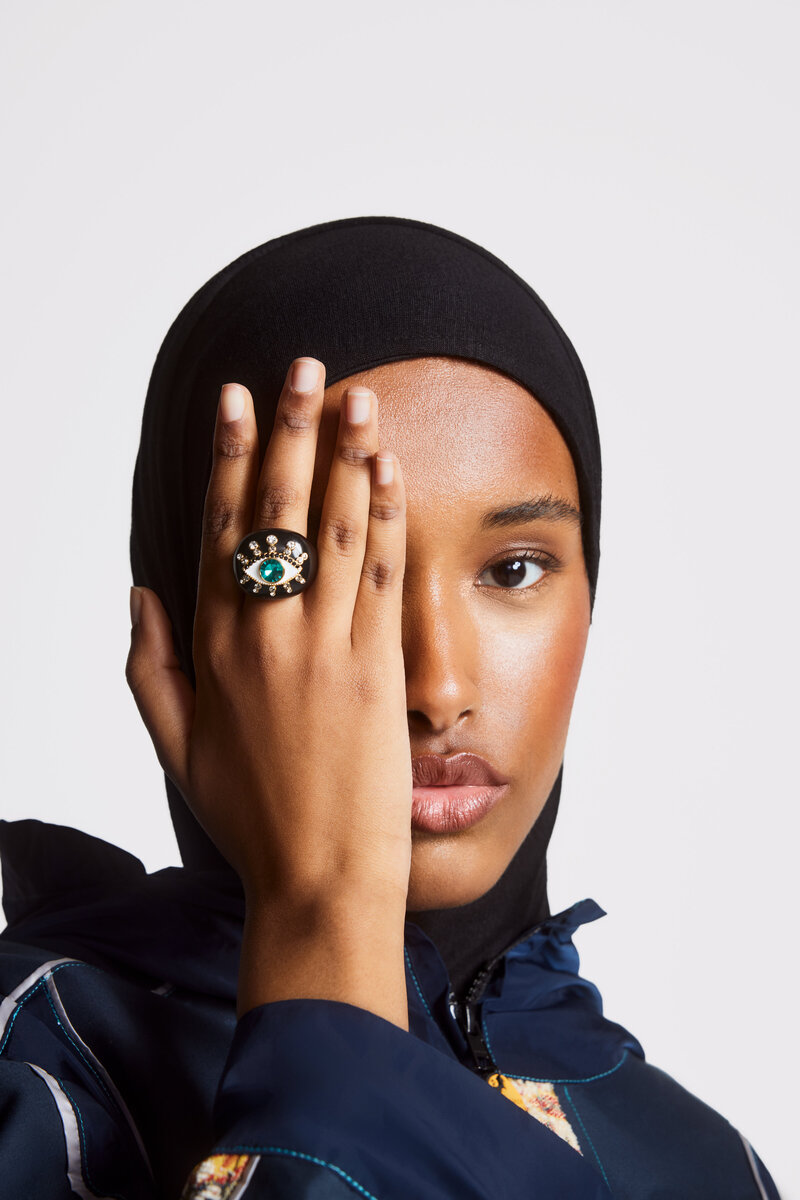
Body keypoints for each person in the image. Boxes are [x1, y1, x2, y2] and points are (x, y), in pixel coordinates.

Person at [0, 216, 780, 1198]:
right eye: (328, 577)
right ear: (182, 628)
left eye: (514, 569)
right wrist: (324, 918)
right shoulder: (39, 1070)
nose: (439, 688)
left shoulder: (704, 1164)